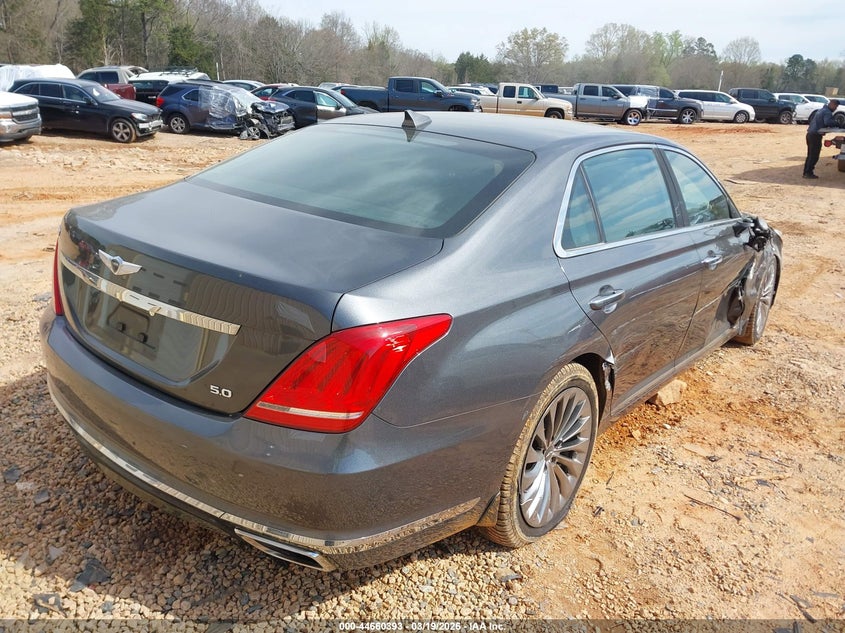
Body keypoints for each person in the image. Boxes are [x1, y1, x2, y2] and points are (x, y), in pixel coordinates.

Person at [803, 98, 841, 179]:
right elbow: (828, 122)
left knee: (810, 155)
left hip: (810, 134)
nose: (835, 108)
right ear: (832, 104)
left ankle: (806, 172)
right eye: (835, 106)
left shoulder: (821, 110)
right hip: (815, 136)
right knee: (814, 155)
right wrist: (837, 124)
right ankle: (808, 173)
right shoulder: (827, 112)